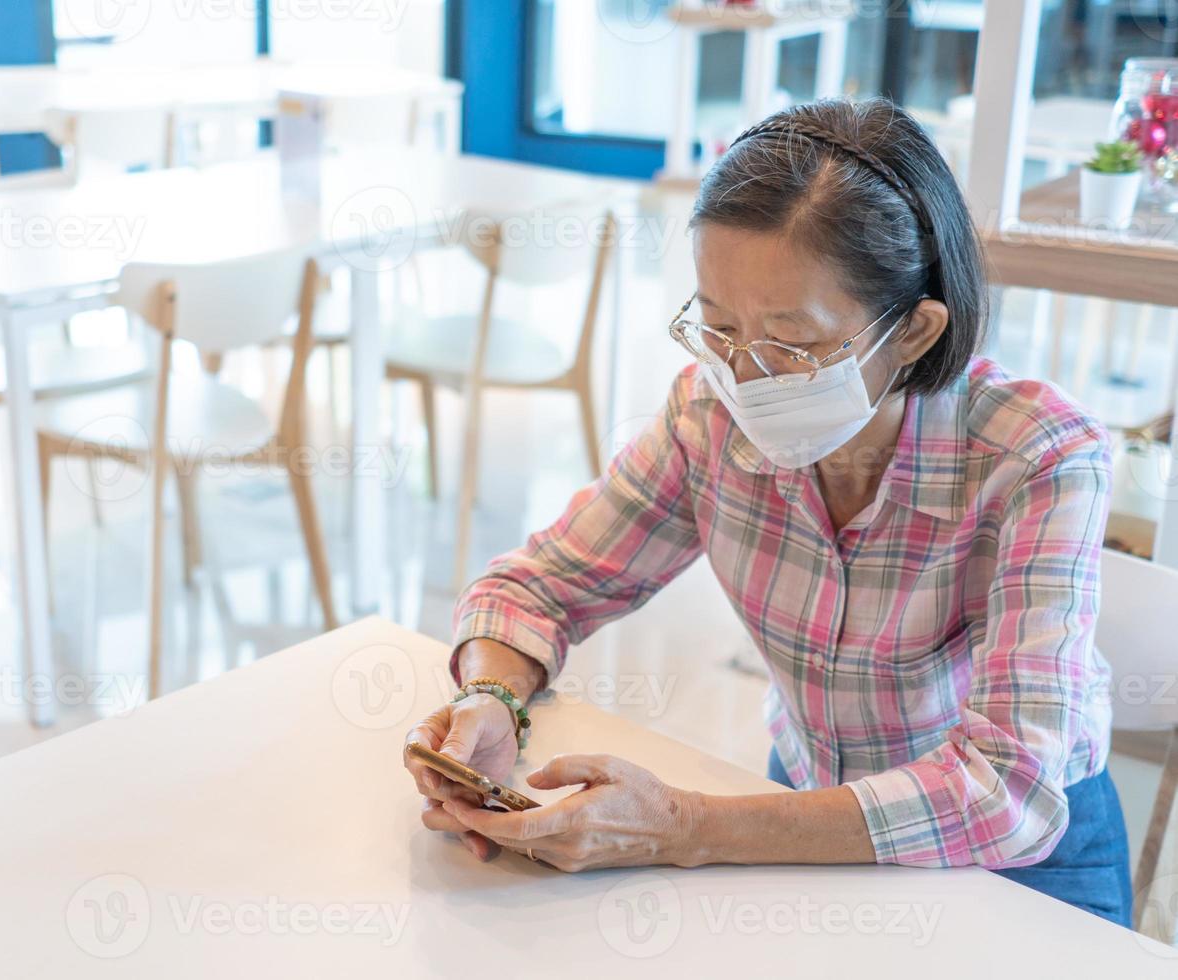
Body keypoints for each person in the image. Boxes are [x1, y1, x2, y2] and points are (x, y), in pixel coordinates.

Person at [402, 98, 1131, 927]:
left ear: (916, 331)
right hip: (813, 810)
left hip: (1024, 861)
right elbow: (542, 586)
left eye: (791, 346)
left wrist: (686, 826)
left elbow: (1010, 791)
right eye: (718, 327)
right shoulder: (708, 418)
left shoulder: (1037, 459)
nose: (745, 377)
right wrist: (493, 698)